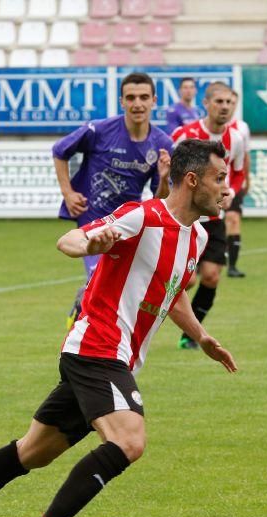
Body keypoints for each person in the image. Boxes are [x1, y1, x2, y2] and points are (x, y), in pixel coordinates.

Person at [0, 139, 238, 517]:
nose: (227, 188)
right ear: (192, 179)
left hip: (110, 355)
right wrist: (92, 245)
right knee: (129, 439)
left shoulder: (196, 236)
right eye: (220, 178)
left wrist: (201, 337)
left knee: (32, 451)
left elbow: (172, 293)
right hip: (97, 347)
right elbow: (69, 239)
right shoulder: (141, 215)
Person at [52, 72, 173, 329]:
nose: (137, 103)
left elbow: (160, 200)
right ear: (122, 101)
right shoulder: (98, 130)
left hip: (125, 221)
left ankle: (85, 303)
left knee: (126, 282)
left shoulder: (162, 143)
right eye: (130, 97)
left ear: (154, 100)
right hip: (92, 216)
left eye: (143, 97)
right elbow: (60, 151)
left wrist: (163, 178)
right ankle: (86, 327)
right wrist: (68, 193)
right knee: (99, 274)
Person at [171, 82, 246, 349]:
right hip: (186, 219)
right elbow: (171, 171)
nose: (225, 107)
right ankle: (145, 311)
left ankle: (190, 336)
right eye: (219, 102)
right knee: (186, 279)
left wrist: (231, 192)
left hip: (213, 220)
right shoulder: (186, 135)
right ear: (207, 104)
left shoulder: (235, 138)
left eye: (228, 102)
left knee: (212, 276)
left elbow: (237, 171)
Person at [225, 89, 251, 278]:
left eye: (232, 102)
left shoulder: (241, 128)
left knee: (233, 220)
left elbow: (245, 156)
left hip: (232, 185)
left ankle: (232, 266)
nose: (227, 106)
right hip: (211, 186)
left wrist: (246, 179)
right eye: (224, 101)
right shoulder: (207, 128)